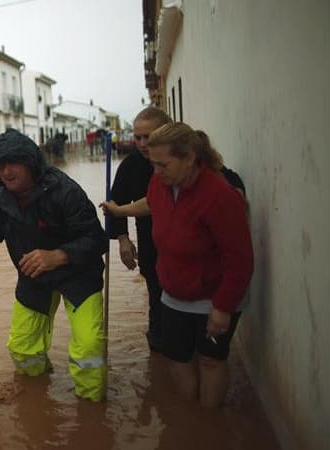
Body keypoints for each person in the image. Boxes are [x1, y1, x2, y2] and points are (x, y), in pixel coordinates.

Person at [101, 123, 253, 407]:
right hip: (173, 293)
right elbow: (151, 204)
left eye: (163, 165)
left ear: (190, 159)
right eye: (152, 164)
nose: (155, 171)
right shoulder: (162, 182)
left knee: (210, 360)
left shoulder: (219, 196)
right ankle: (188, 418)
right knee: (176, 358)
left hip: (213, 295)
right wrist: (119, 210)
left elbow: (240, 259)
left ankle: (208, 421)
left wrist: (222, 307)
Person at [0, 129, 109, 402]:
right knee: (22, 350)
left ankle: (91, 415)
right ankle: (38, 399)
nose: (6, 172)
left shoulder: (65, 191)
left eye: (13, 163)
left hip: (79, 274)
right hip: (34, 277)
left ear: (30, 162)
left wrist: (58, 256)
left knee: (89, 349)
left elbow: (97, 239)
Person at [108, 107, 173, 353]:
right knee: (156, 295)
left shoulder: (185, 158)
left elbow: (222, 175)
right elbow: (116, 203)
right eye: (138, 138)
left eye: (149, 136)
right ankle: (158, 348)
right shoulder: (130, 166)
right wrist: (123, 240)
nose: (143, 144)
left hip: (185, 245)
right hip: (150, 242)